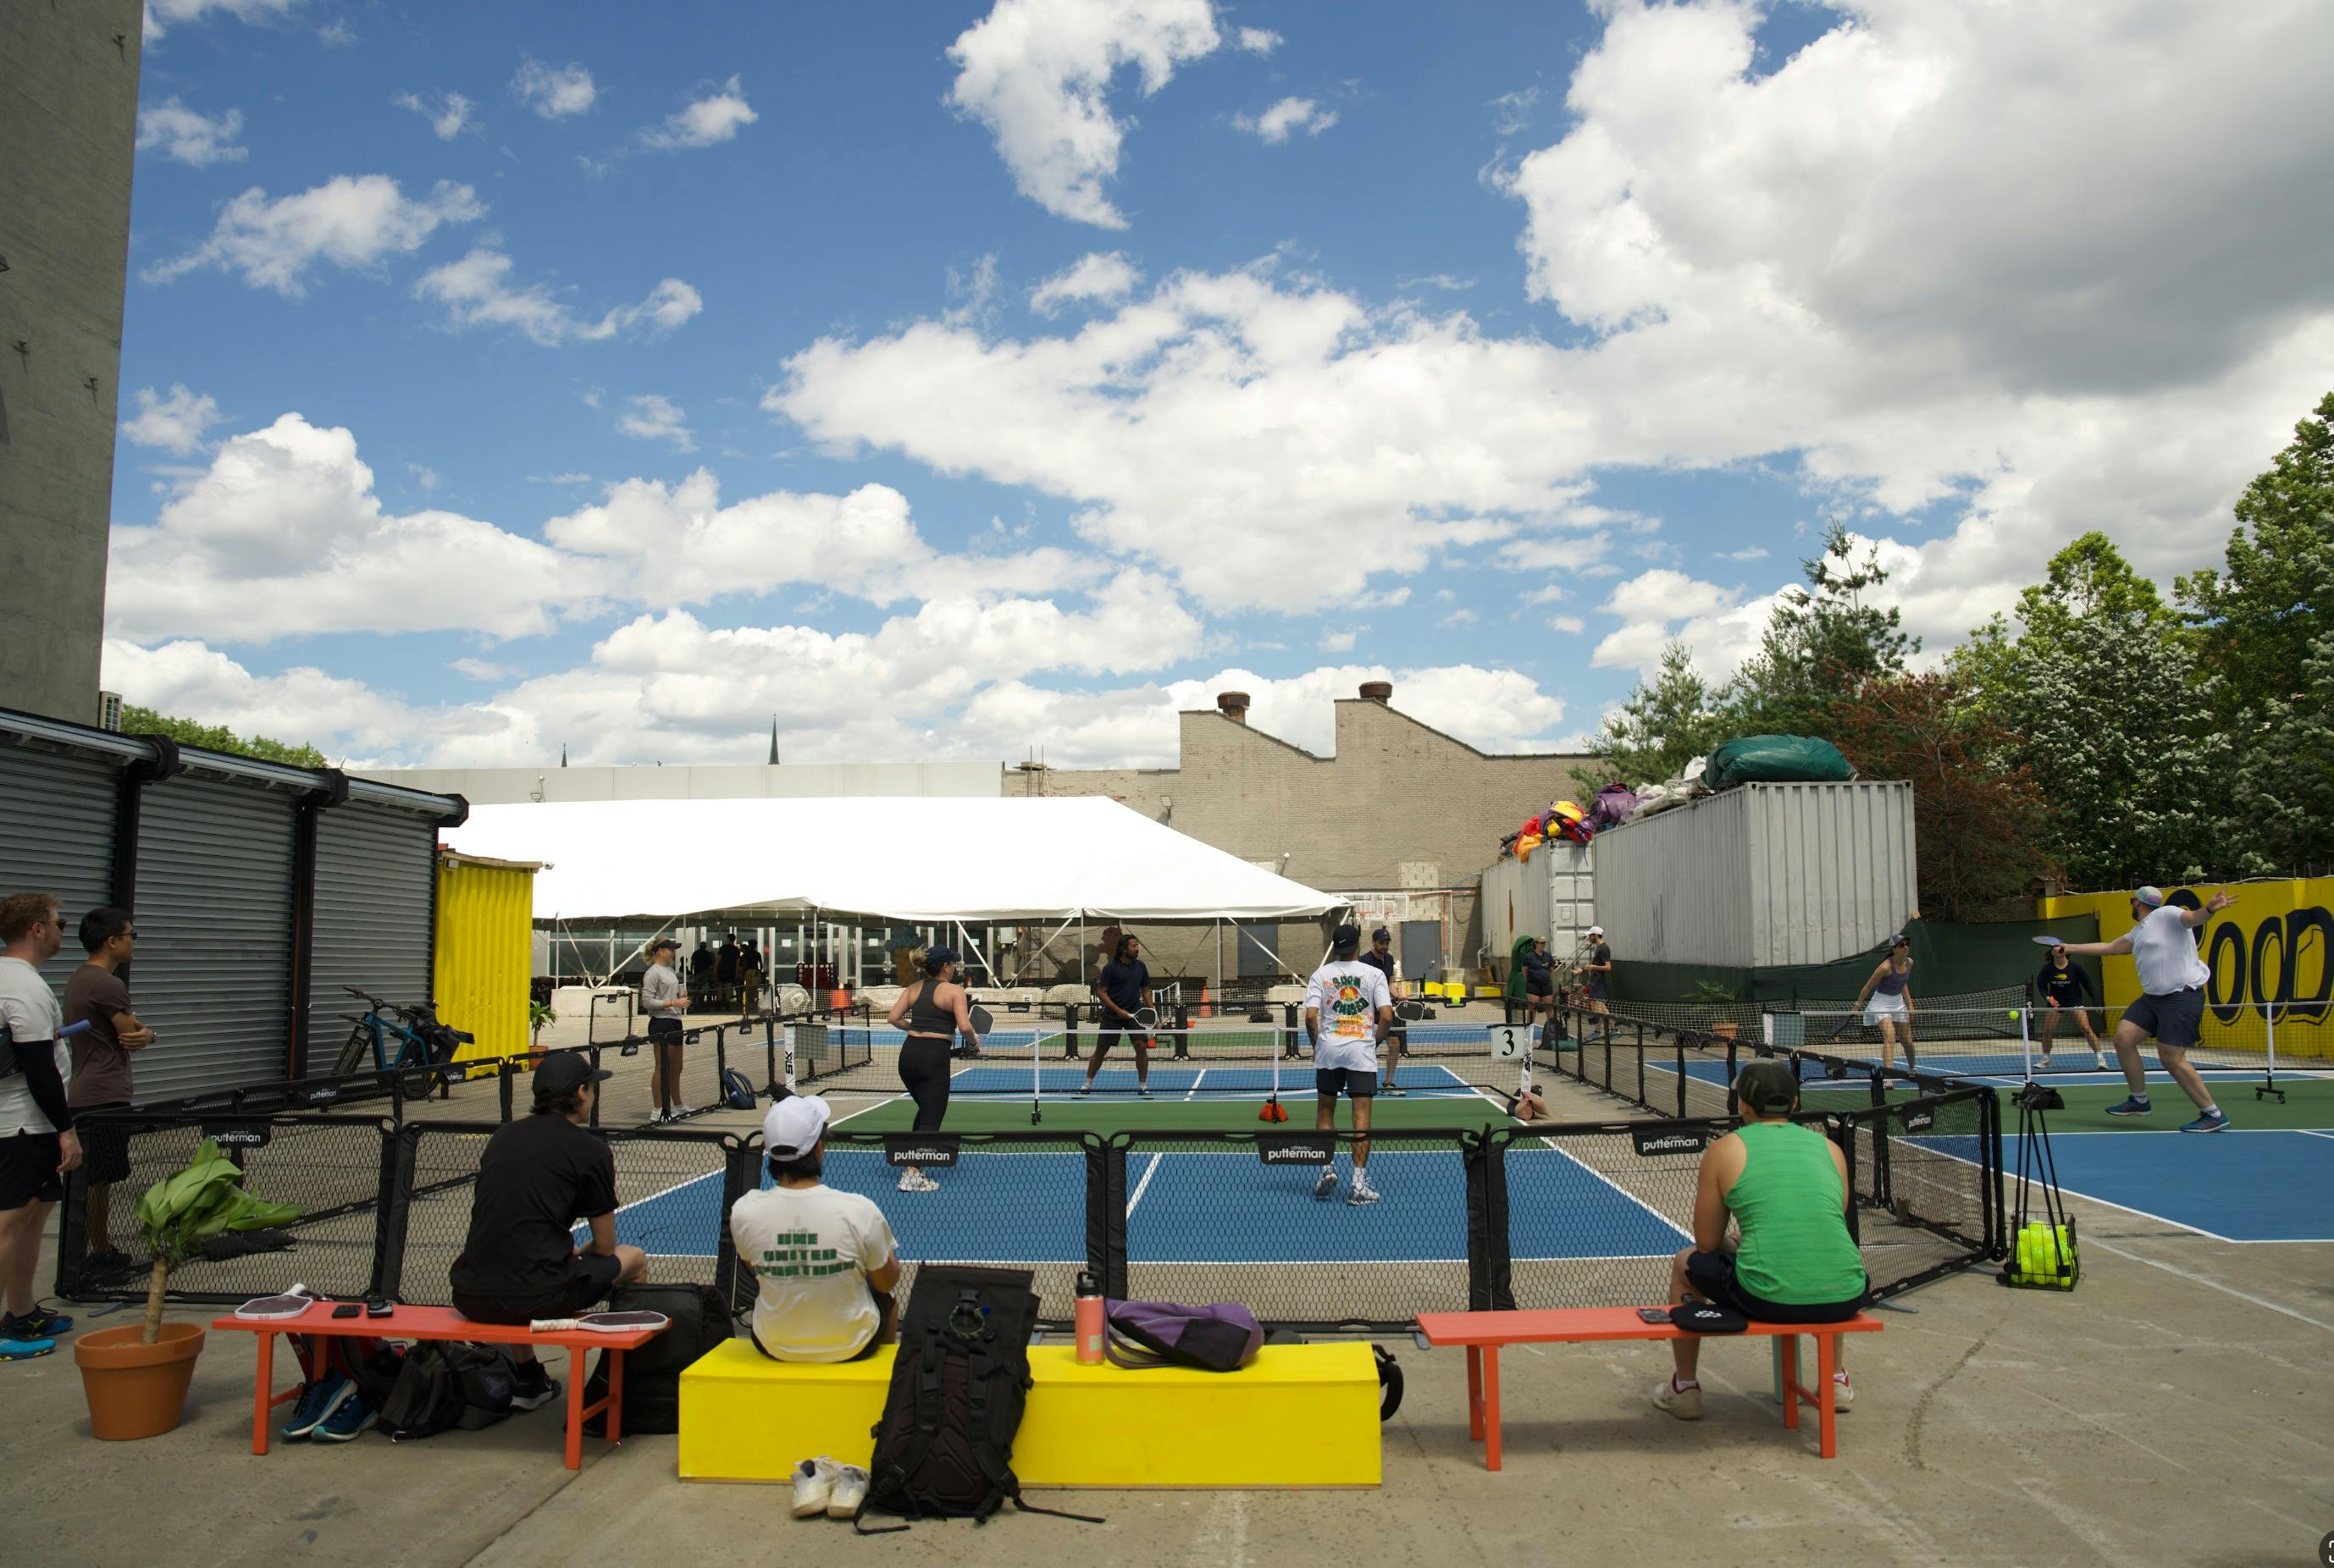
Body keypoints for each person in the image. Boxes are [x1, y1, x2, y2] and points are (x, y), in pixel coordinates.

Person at [1655, 1058, 1868, 1422]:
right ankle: (1834, 1380)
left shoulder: (1724, 1149)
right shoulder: (1831, 1150)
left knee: (1684, 1262)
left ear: (1742, 1104)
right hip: (1847, 1293)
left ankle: (1685, 1387)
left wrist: (1737, 1244)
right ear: (1795, 1104)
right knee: (1826, 1259)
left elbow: (1706, 1243)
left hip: (1767, 1296)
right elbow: (1827, 1223)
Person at [449, 1054, 648, 1415]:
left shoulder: (502, 1137)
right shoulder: (591, 1150)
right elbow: (605, 1246)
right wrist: (577, 1252)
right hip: (540, 1296)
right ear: (580, 1092)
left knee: (522, 1271)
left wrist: (563, 1251)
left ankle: (529, 1378)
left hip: (470, 1291)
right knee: (632, 1258)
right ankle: (624, 1382)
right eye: (592, 1087)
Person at [729, 1095, 901, 1362]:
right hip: (852, 1345)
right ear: (819, 1149)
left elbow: (755, 1269)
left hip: (773, 1343)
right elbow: (886, 1280)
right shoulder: (858, 1210)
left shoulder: (744, 1211)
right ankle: (887, 1383)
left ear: (768, 1149)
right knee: (887, 1300)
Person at [2061, 886, 2238, 1132]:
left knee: (2170, 1057)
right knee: (2123, 1039)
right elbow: (2111, 947)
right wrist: (2070, 948)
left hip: (2181, 996)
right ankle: (2139, 1101)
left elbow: (2193, 918)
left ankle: (2213, 1114)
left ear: (2136, 903)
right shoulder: (2140, 930)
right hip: (2153, 998)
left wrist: (2209, 909)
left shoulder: (2167, 913)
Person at [0, 892, 80, 1355]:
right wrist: (65, 1129)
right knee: (10, 1223)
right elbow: (37, 1067)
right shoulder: (23, 986)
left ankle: (23, 1311)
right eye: (59, 922)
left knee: (33, 1216)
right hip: (23, 1126)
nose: (61, 930)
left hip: (27, 1124)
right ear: (36, 929)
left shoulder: (14, 978)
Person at [63, 908, 156, 1277]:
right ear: (112, 941)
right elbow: (133, 1034)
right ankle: (89, 1257)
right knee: (98, 1180)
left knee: (98, 1179)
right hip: (103, 1094)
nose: (134, 942)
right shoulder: (105, 984)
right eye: (131, 935)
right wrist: (151, 1034)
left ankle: (96, 1249)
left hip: (90, 1089)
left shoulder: (81, 980)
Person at [1303, 924, 1394, 1206]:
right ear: (1358, 945)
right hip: (1360, 1053)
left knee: (1325, 1113)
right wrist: (1372, 1042)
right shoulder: (1374, 974)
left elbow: (1309, 1017)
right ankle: (1358, 1184)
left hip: (1329, 1051)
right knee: (1361, 1119)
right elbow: (1387, 1017)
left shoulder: (1320, 974)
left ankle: (1327, 1170)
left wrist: (1319, 1044)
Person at [884, 945, 978, 1192]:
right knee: (933, 1117)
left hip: (908, 1056)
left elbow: (893, 1018)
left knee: (926, 1110)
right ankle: (911, 1175)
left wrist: (916, 1030)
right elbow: (965, 1026)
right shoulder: (955, 991)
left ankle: (914, 1162)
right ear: (946, 966)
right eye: (953, 963)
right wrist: (974, 1042)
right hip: (933, 1058)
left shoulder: (913, 988)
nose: (955, 967)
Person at [1081, 934, 1153, 1097]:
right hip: (1112, 1015)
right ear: (1123, 949)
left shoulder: (1141, 966)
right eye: (1134, 946)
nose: (1137, 948)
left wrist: (1152, 1013)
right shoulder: (1110, 968)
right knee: (1101, 1049)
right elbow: (1101, 992)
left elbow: (1146, 990)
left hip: (1135, 1014)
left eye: (1137, 945)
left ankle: (1142, 1086)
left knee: (1141, 1047)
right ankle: (1087, 1084)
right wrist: (1118, 1010)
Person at [2034, 941, 2107, 1073]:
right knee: (2047, 1031)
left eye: (2060, 946)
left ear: (2066, 951)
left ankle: (2101, 1059)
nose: (2058, 948)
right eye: (2054, 946)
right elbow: (2041, 986)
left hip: (2074, 1001)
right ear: (2051, 952)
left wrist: (2097, 1003)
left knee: (2086, 1028)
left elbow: (2089, 985)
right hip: (2056, 1003)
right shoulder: (2047, 969)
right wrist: (2048, 998)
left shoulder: (2075, 967)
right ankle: (2046, 1059)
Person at [1851, 933, 1917, 1074]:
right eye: (1901, 945)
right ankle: (1888, 1075)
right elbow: (1868, 987)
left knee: (1908, 1041)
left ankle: (1913, 1069)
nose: (1905, 947)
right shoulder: (1885, 967)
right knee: (1890, 1036)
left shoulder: (1909, 962)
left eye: (1907, 944)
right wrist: (1857, 1005)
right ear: (1894, 949)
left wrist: (1910, 1004)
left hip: (1898, 1003)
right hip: (1880, 1003)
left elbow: (1903, 983)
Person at [641, 936, 690, 1122]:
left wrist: (681, 998)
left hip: (675, 1020)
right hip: (661, 1022)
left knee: (677, 1066)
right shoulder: (653, 973)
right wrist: (673, 1002)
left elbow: (672, 995)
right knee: (662, 1066)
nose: (673, 952)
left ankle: (677, 1104)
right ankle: (658, 1108)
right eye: (670, 949)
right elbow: (647, 1002)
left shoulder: (669, 970)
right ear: (660, 951)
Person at [1358, 927, 1407, 1097]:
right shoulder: (1364, 961)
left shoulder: (1389, 959)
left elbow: (1390, 982)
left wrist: (1398, 995)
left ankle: (1388, 1083)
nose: (1385, 946)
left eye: (1387, 943)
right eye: (1381, 943)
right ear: (1373, 942)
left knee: (1394, 1043)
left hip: (1384, 1009)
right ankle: (1353, 1081)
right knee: (1363, 1048)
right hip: (1367, 1011)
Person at [1520, 937, 1557, 1040]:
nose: (1543, 945)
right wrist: (1530, 981)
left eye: (1545, 943)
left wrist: (1546, 978)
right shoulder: (1529, 957)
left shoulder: (1548, 956)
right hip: (1533, 985)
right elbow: (1524, 971)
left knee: (1549, 1007)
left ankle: (1551, 1031)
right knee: (1532, 1007)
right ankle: (1528, 1031)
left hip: (1546, 984)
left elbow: (1552, 970)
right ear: (1536, 943)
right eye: (1541, 943)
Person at [1583, 925, 1614, 1042]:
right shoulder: (1599, 948)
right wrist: (1584, 970)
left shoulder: (1603, 948)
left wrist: (1593, 967)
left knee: (1598, 1008)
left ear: (1595, 935)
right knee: (1601, 1007)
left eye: (1590, 935)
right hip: (1596, 981)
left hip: (1599, 982)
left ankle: (1598, 1031)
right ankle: (1613, 1029)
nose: (1589, 937)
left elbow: (1608, 967)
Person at [738, 936, 764, 1017]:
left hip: (747, 972)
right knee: (754, 987)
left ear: (749, 945)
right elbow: (761, 964)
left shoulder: (746, 954)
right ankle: (752, 1001)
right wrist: (759, 971)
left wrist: (742, 973)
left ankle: (746, 1001)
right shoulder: (757, 954)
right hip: (755, 972)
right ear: (756, 945)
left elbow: (744, 964)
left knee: (746, 987)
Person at [716, 933, 740, 1012]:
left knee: (720, 986)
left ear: (728, 939)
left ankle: (719, 1003)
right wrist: (736, 973)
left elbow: (719, 959)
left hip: (722, 969)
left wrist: (715, 968)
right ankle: (728, 1003)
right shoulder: (736, 950)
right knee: (729, 987)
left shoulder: (723, 948)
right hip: (731, 970)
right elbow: (737, 962)